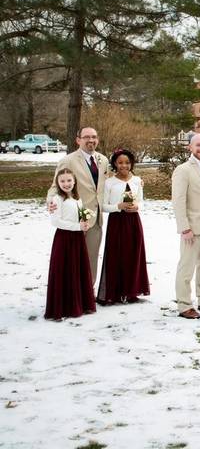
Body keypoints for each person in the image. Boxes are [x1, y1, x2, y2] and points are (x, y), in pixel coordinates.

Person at [47, 127, 108, 286]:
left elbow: (106, 184)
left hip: (95, 219)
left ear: (98, 139)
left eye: (94, 137)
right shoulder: (68, 160)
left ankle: (88, 292)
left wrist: (135, 182)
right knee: (73, 259)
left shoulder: (103, 160)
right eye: (86, 137)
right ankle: (71, 294)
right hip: (74, 219)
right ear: (78, 140)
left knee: (92, 257)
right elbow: (55, 185)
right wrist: (51, 201)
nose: (91, 140)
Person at [171, 133, 200, 319]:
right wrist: (184, 227)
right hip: (192, 227)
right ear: (190, 147)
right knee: (187, 267)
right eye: (198, 145)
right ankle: (184, 305)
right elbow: (178, 201)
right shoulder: (183, 170)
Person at [97, 149, 149, 305]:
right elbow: (104, 206)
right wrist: (118, 206)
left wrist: (137, 207)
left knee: (134, 254)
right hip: (117, 222)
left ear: (132, 163)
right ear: (114, 164)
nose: (124, 165)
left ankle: (131, 291)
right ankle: (114, 292)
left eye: (127, 162)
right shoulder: (109, 183)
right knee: (116, 255)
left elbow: (142, 201)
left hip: (133, 221)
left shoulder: (137, 181)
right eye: (120, 162)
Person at [44, 169, 97, 320]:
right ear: (58, 183)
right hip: (64, 238)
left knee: (77, 268)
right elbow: (55, 221)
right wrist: (76, 227)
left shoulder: (77, 198)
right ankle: (63, 307)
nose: (66, 184)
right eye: (62, 181)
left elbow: (79, 215)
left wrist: (84, 223)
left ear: (74, 181)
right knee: (64, 269)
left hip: (78, 239)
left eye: (69, 180)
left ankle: (79, 303)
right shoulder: (57, 199)